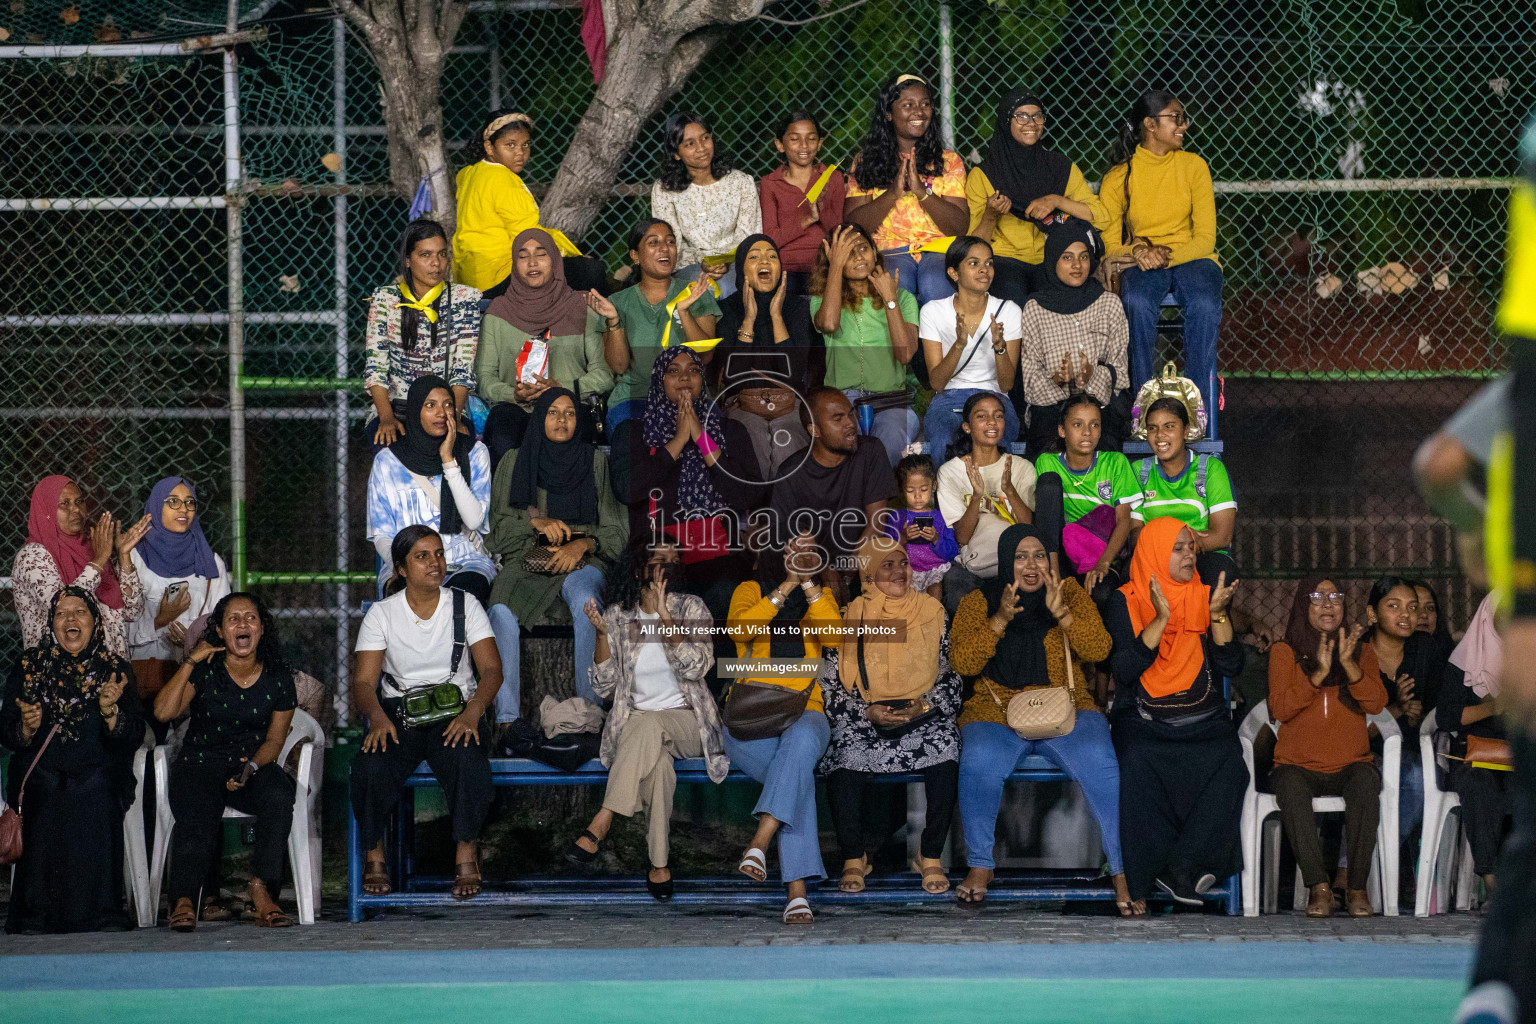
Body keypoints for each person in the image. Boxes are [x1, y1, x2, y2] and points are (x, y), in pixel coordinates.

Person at [949, 525, 1134, 913]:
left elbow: (1100, 649)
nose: (1030, 565)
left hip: (1066, 706)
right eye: (1019, 556)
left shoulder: (1069, 593)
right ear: (1005, 561)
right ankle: (981, 865)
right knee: (979, 757)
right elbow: (963, 663)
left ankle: (1121, 869)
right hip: (995, 710)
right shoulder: (978, 601)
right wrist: (999, 618)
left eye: (1038, 555)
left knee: (1101, 758)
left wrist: (1062, 613)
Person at [565, 540, 725, 900]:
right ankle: (659, 864)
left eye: (673, 560)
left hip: (688, 724)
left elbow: (698, 666)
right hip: (638, 727)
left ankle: (601, 822)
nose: (667, 566)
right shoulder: (620, 616)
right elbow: (604, 686)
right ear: (639, 569)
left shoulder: (691, 608)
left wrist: (666, 617)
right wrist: (602, 636)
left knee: (651, 723)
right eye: (658, 560)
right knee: (658, 771)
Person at [351, 526, 501, 902]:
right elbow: (364, 683)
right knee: (369, 765)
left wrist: (473, 711)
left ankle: (466, 849)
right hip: (398, 714)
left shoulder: (465, 604)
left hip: (455, 712)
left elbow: (492, 670)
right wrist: (378, 718)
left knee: (468, 762)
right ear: (400, 568)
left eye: (438, 554)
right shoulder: (383, 614)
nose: (435, 563)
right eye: (422, 556)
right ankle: (374, 852)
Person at [1105, 517, 1244, 906]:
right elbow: (1126, 669)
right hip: (1146, 721)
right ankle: (1144, 883)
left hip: (1202, 718)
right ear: (1154, 552)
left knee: (1231, 761)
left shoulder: (1205, 595)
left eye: (1191, 548)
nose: (1189, 555)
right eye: (1178, 548)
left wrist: (1217, 615)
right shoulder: (1127, 599)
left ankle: (1181, 869)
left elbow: (1232, 664)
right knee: (1136, 761)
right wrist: (1161, 620)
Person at [819, 534, 959, 894]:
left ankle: (928, 856)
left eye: (904, 563)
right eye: (887, 564)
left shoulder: (933, 612)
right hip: (867, 717)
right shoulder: (850, 617)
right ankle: (854, 856)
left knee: (946, 747)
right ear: (867, 573)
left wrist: (923, 705)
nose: (900, 571)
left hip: (922, 714)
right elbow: (830, 687)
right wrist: (866, 713)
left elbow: (952, 676)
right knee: (843, 754)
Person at [153, 592, 299, 930]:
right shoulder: (206, 669)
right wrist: (190, 660)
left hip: (251, 763)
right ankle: (186, 898)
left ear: (262, 629)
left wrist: (252, 769)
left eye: (250, 617)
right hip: (201, 762)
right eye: (233, 619)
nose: (243, 624)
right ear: (219, 630)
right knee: (197, 805)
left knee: (279, 794)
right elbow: (163, 712)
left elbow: (275, 740)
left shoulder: (278, 677)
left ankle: (261, 890)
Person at [2, 587, 142, 934]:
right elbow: (7, 732)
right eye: (62, 613)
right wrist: (25, 726)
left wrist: (111, 713)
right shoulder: (30, 666)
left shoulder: (114, 669)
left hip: (100, 768)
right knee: (48, 789)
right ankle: (35, 915)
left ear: (95, 622)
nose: (71, 619)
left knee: (94, 789)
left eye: (80, 612)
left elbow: (134, 733)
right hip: (43, 769)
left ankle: (102, 914)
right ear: (51, 623)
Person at [488, 389, 627, 720]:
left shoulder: (595, 462)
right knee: (500, 610)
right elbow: (499, 534)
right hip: (527, 560)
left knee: (586, 602)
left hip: (583, 560)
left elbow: (619, 531)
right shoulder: (514, 461)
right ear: (539, 418)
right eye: (553, 412)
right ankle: (507, 721)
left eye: (570, 413)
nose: (562, 420)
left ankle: (590, 714)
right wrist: (535, 523)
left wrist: (583, 543)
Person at [721, 537, 839, 924]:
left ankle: (760, 842)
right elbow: (740, 631)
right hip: (749, 719)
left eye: (808, 551)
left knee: (801, 744)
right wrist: (786, 585)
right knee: (796, 773)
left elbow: (833, 636)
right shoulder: (749, 590)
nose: (799, 557)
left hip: (805, 710)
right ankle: (796, 890)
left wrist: (807, 585)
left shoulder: (820, 596)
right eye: (791, 550)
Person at [1267, 575, 1388, 918]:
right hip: (1297, 765)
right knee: (1289, 786)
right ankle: (1319, 887)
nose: (1328, 604)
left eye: (1335, 596)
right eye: (1317, 597)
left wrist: (1349, 666)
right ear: (1302, 605)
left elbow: (1377, 702)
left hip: (1350, 764)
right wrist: (1317, 675)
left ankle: (1356, 888)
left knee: (1367, 783)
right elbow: (1281, 709)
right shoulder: (1283, 652)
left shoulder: (1363, 652)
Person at [1100, 89, 1222, 413]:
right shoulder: (1118, 178)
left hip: (1192, 258)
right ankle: (1143, 409)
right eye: (1176, 118)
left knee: (1205, 304)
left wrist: (1165, 255)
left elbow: (1205, 238)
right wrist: (1139, 252)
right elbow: (1110, 246)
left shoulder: (1194, 166)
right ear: (1150, 125)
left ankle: (1195, 408)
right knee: (1136, 302)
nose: (1184, 125)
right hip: (1143, 259)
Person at [476, 227, 613, 468]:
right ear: (514, 264)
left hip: (570, 404)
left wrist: (563, 388)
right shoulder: (498, 313)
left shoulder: (581, 308)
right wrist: (513, 394)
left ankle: (566, 506)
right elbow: (484, 379)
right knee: (502, 437)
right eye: (522, 255)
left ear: (555, 260)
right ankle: (512, 506)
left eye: (541, 254)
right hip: (515, 407)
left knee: (569, 435)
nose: (532, 262)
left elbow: (604, 376)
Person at [966, 88, 1110, 308]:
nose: (1031, 123)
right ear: (1006, 122)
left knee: (1068, 300)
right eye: (1021, 116)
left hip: (1052, 258)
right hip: (1006, 260)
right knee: (1013, 301)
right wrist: (990, 215)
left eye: (1037, 116)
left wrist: (1057, 201)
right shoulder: (984, 175)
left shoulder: (1060, 168)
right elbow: (973, 247)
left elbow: (1101, 217)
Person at [587, 219, 721, 441]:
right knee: (632, 445)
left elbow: (705, 357)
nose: (664, 248)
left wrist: (684, 312)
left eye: (670, 242)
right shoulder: (618, 302)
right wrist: (614, 321)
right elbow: (619, 366)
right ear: (635, 256)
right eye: (653, 242)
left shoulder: (696, 293)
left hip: (689, 398)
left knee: (705, 444)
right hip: (634, 399)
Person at [366, 375, 495, 604]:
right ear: (416, 411)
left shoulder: (474, 453)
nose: (441, 412)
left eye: (447, 404)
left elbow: (474, 521)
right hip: (407, 564)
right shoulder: (389, 461)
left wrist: (448, 460)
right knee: (405, 602)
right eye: (430, 405)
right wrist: (404, 566)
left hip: (464, 562)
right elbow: (383, 534)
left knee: (462, 603)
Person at [845, 72, 968, 306]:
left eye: (925, 104)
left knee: (935, 283)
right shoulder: (867, 161)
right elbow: (854, 226)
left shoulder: (948, 161)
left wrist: (922, 192)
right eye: (908, 105)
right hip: (890, 251)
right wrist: (893, 194)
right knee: (897, 288)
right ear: (889, 114)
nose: (919, 112)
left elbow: (959, 226)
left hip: (938, 250)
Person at [452, 110, 603, 296]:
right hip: (498, 276)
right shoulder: (503, 178)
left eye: (525, 145)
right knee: (590, 270)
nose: (520, 153)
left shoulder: (469, 174)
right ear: (490, 148)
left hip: (469, 278)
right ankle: (603, 325)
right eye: (510, 145)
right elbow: (529, 236)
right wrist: (571, 254)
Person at [364, 219, 481, 448]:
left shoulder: (464, 299)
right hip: (398, 407)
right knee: (389, 447)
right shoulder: (386, 299)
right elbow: (376, 369)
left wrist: (454, 417)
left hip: (446, 408)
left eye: (442, 254)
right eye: (425, 255)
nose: (436, 264)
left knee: (455, 450)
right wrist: (386, 418)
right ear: (408, 260)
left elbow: (462, 369)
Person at [768, 387, 896, 594]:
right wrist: (825, 572)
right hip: (809, 572)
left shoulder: (870, 451)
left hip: (859, 565)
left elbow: (876, 524)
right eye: (838, 419)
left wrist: (845, 576)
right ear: (815, 430)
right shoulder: (790, 473)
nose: (850, 424)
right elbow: (791, 541)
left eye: (850, 414)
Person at [811, 223, 920, 466]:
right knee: (843, 445)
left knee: (885, 446)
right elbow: (828, 323)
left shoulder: (903, 298)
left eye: (863, 248)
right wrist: (836, 266)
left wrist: (890, 299)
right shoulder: (823, 300)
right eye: (847, 252)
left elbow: (905, 355)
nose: (859, 256)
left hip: (890, 402)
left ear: (875, 252)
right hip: (842, 401)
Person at [1016, 223, 1130, 453]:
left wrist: (1092, 375)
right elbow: (1030, 382)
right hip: (1051, 406)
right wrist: (1057, 380)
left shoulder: (1108, 303)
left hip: (1100, 404)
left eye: (1083, 257)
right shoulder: (1035, 308)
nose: (1077, 265)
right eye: (1067, 257)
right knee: (1046, 457)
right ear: (1052, 260)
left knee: (1105, 450)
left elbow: (1122, 373)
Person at [13, 475, 149, 659]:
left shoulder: (93, 547)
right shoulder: (32, 556)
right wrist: (99, 560)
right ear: (46, 509)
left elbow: (134, 611)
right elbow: (63, 606)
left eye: (79, 501)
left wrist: (124, 557)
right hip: (59, 676)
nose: (75, 509)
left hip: (112, 673)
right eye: (65, 503)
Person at [126, 477, 231, 700]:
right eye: (173, 501)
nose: (183, 508)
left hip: (195, 676)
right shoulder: (133, 558)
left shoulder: (210, 562)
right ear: (155, 506)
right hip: (141, 672)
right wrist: (159, 621)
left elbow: (224, 625)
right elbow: (116, 628)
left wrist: (193, 642)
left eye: (190, 502)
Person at [919, 236, 1022, 463]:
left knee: (994, 443)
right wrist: (959, 344)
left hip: (994, 397)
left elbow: (1006, 384)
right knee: (943, 441)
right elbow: (937, 383)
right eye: (974, 263)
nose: (985, 270)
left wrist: (1000, 348)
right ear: (954, 273)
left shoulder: (1009, 310)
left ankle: (993, 498)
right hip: (948, 398)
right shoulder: (933, 311)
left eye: (989, 263)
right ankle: (948, 497)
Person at [1032, 395, 1142, 601]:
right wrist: (1054, 573)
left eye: (1094, 425)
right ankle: (1053, 573)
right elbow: (1045, 518)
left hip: (1103, 550)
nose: (1086, 432)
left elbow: (1124, 520)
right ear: (1062, 431)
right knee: (1048, 482)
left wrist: (1103, 563)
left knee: (1101, 593)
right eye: (1077, 424)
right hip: (1061, 553)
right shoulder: (1047, 463)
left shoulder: (1115, 462)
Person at [935, 392, 1036, 606]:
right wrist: (977, 496)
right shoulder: (950, 472)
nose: (992, 422)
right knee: (957, 588)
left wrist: (1009, 490)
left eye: (998, 416)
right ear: (967, 427)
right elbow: (962, 538)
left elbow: (1029, 528)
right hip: (974, 563)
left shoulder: (1021, 467)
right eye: (982, 416)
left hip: (1016, 562)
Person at [1129, 396, 1238, 586]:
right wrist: (1178, 544)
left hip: (1203, 555)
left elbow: (1222, 535)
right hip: (1155, 556)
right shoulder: (1139, 471)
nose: (1160, 435)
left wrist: (1181, 548)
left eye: (1169, 426)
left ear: (1186, 431)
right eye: (1152, 428)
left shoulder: (1210, 469)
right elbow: (1135, 534)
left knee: (1220, 575)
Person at [650, 110, 760, 298]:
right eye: (690, 144)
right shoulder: (665, 190)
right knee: (703, 289)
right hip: (690, 266)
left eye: (705, 138)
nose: (701, 148)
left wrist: (722, 261)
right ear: (676, 153)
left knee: (729, 287)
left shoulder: (741, 182)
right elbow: (671, 243)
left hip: (736, 263)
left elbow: (749, 235)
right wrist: (703, 261)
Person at [712, 233, 823, 394]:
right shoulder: (726, 309)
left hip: (788, 405)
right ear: (741, 268)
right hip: (742, 405)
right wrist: (748, 321)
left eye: (772, 256)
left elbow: (792, 376)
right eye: (754, 257)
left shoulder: (798, 307)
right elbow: (734, 381)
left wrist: (777, 316)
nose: (765, 261)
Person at [758, 110, 845, 296]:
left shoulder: (832, 177)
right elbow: (770, 238)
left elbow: (837, 231)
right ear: (780, 145)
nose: (804, 145)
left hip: (825, 264)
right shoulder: (770, 183)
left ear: (820, 143)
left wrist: (822, 209)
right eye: (795, 139)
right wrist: (806, 219)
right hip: (786, 268)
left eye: (811, 139)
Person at [718, 366, 811, 490]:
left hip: (790, 397)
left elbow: (802, 366)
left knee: (788, 441)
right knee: (753, 439)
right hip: (740, 397)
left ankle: (783, 501)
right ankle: (758, 502)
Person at [884, 454, 959, 598]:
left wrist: (936, 539)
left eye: (923, 489)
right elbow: (886, 552)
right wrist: (903, 538)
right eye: (910, 490)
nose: (917, 496)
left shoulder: (942, 517)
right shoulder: (896, 518)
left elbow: (952, 552)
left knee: (935, 589)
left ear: (934, 486)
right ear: (901, 489)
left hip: (934, 572)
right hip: (906, 572)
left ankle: (936, 619)